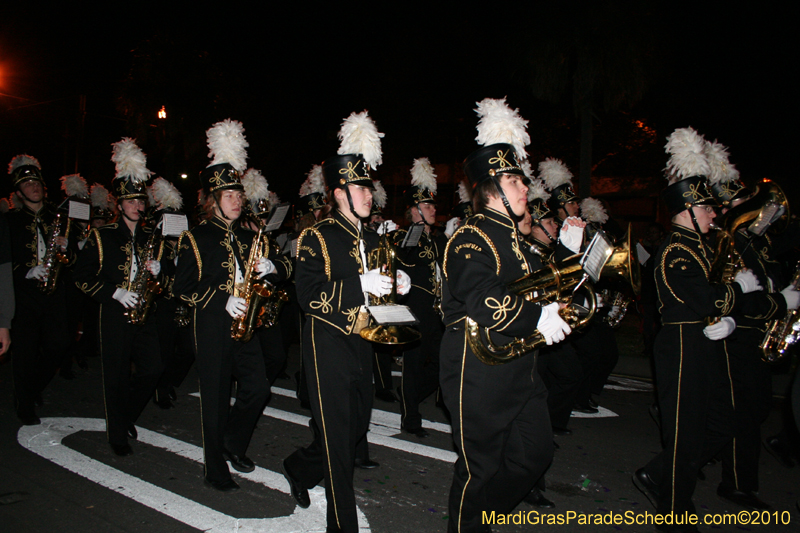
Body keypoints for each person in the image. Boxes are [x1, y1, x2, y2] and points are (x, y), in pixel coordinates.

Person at [631, 128, 795, 532]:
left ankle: (664, 475)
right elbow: (702, 299)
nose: (716, 214)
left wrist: (737, 313)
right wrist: (733, 294)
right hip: (683, 345)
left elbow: (718, 300)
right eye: (708, 208)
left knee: (724, 420)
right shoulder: (675, 248)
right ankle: (674, 510)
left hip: (707, 341)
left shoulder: (703, 246)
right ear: (687, 209)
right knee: (686, 433)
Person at [440, 98, 572, 533]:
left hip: (519, 368)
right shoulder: (470, 237)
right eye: (516, 182)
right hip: (476, 370)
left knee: (535, 455)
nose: (525, 191)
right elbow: (483, 298)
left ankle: (482, 517)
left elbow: (542, 286)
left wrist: (566, 274)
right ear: (492, 188)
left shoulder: (517, 241)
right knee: (477, 468)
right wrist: (536, 318)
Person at [281, 111, 409, 533]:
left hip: (362, 347)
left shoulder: (375, 238)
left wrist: (397, 284)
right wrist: (359, 283)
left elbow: (379, 292)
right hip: (327, 350)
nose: (368, 195)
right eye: (358, 188)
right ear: (338, 194)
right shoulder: (316, 236)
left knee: (352, 433)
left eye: (368, 187)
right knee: (340, 449)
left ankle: (299, 468)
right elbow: (308, 296)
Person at [174, 120, 291, 491]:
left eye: (239, 195)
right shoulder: (196, 237)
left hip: (246, 326)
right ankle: (213, 467)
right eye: (229, 196)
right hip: (211, 325)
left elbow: (281, 268)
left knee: (258, 389)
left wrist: (272, 267)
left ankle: (232, 443)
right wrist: (223, 300)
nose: (237, 200)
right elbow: (183, 287)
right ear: (212, 200)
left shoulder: (249, 234)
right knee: (215, 396)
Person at [705, 140, 800, 510]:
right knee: (741, 415)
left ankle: (689, 458)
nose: (766, 215)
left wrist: (786, 292)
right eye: (759, 209)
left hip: (755, 337)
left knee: (754, 409)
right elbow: (740, 294)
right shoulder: (733, 241)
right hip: (738, 335)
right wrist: (781, 302)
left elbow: (769, 279)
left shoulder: (758, 245)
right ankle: (738, 484)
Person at [6, 154, 77, 425]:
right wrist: (26, 271)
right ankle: (24, 402)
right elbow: (4, 260)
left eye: (36, 182)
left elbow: (72, 259)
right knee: (24, 350)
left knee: (58, 344)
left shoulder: (58, 217)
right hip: (23, 294)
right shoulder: (9, 221)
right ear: (19, 192)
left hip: (54, 291)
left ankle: (31, 387)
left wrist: (65, 248)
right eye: (27, 184)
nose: (33, 187)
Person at [395, 157, 447, 438]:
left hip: (440, 312)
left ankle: (411, 398)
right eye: (426, 206)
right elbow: (403, 259)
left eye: (433, 205)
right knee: (413, 366)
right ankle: (410, 418)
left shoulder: (441, 239)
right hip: (416, 310)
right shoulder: (406, 238)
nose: (433, 209)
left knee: (442, 365)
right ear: (413, 211)